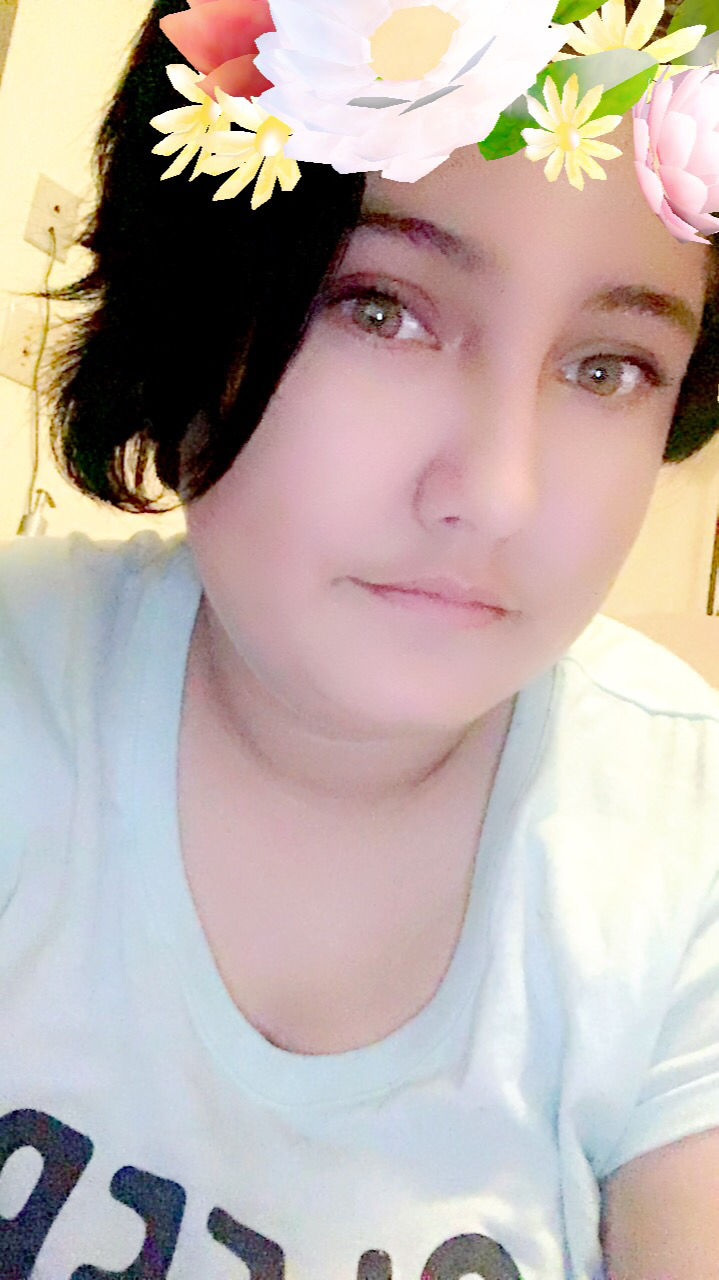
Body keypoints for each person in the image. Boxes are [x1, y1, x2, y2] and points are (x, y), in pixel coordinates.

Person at [1, 1, 719, 1275]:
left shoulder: (682, 842)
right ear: (198, 307)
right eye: (379, 308)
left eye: (606, 366)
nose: (494, 493)